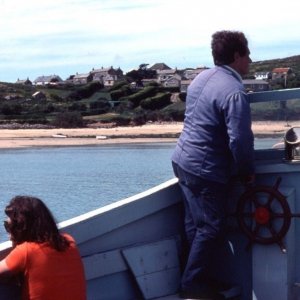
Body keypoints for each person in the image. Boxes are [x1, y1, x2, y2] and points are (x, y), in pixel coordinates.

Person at [172, 30, 255, 299]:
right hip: (205, 169)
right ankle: (192, 284)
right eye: (247, 54)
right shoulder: (234, 91)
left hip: (182, 161)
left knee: (194, 225)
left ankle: (195, 278)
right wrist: (246, 173)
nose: (250, 61)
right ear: (236, 56)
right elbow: (240, 140)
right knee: (210, 227)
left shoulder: (201, 78)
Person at [0, 195, 86, 300]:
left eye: (9, 226)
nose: (8, 232)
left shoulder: (26, 251)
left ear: (20, 227)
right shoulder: (69, 241)